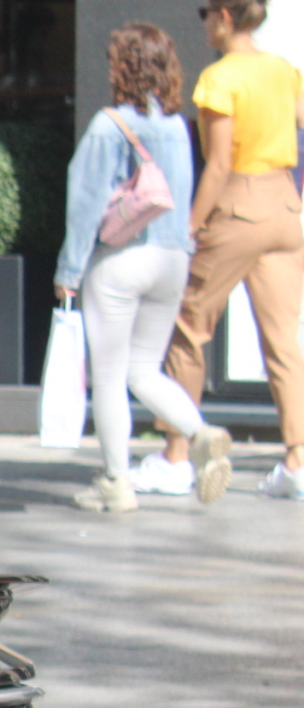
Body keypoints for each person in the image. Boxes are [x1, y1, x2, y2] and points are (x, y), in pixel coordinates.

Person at [57, 24, 232, 510]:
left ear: (121, 67)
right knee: (145, 369)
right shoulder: (178, 126)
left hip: (120, 262)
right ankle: (201, 432)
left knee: (111, 378)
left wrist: (69, 271)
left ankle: (116, 482)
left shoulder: (108, 126)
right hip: (172, 260)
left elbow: (85, 204)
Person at [155, 0, 304, 496]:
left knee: (189, 329)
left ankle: (176, 455)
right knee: (283, 340)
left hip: (238, 204)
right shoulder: (283, 71)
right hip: (285, 206)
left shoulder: (220, 79)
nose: (203, 25)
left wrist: (192, 224)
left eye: (204, 14)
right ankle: (297, 462)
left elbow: (217, 164)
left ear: (223, 15)